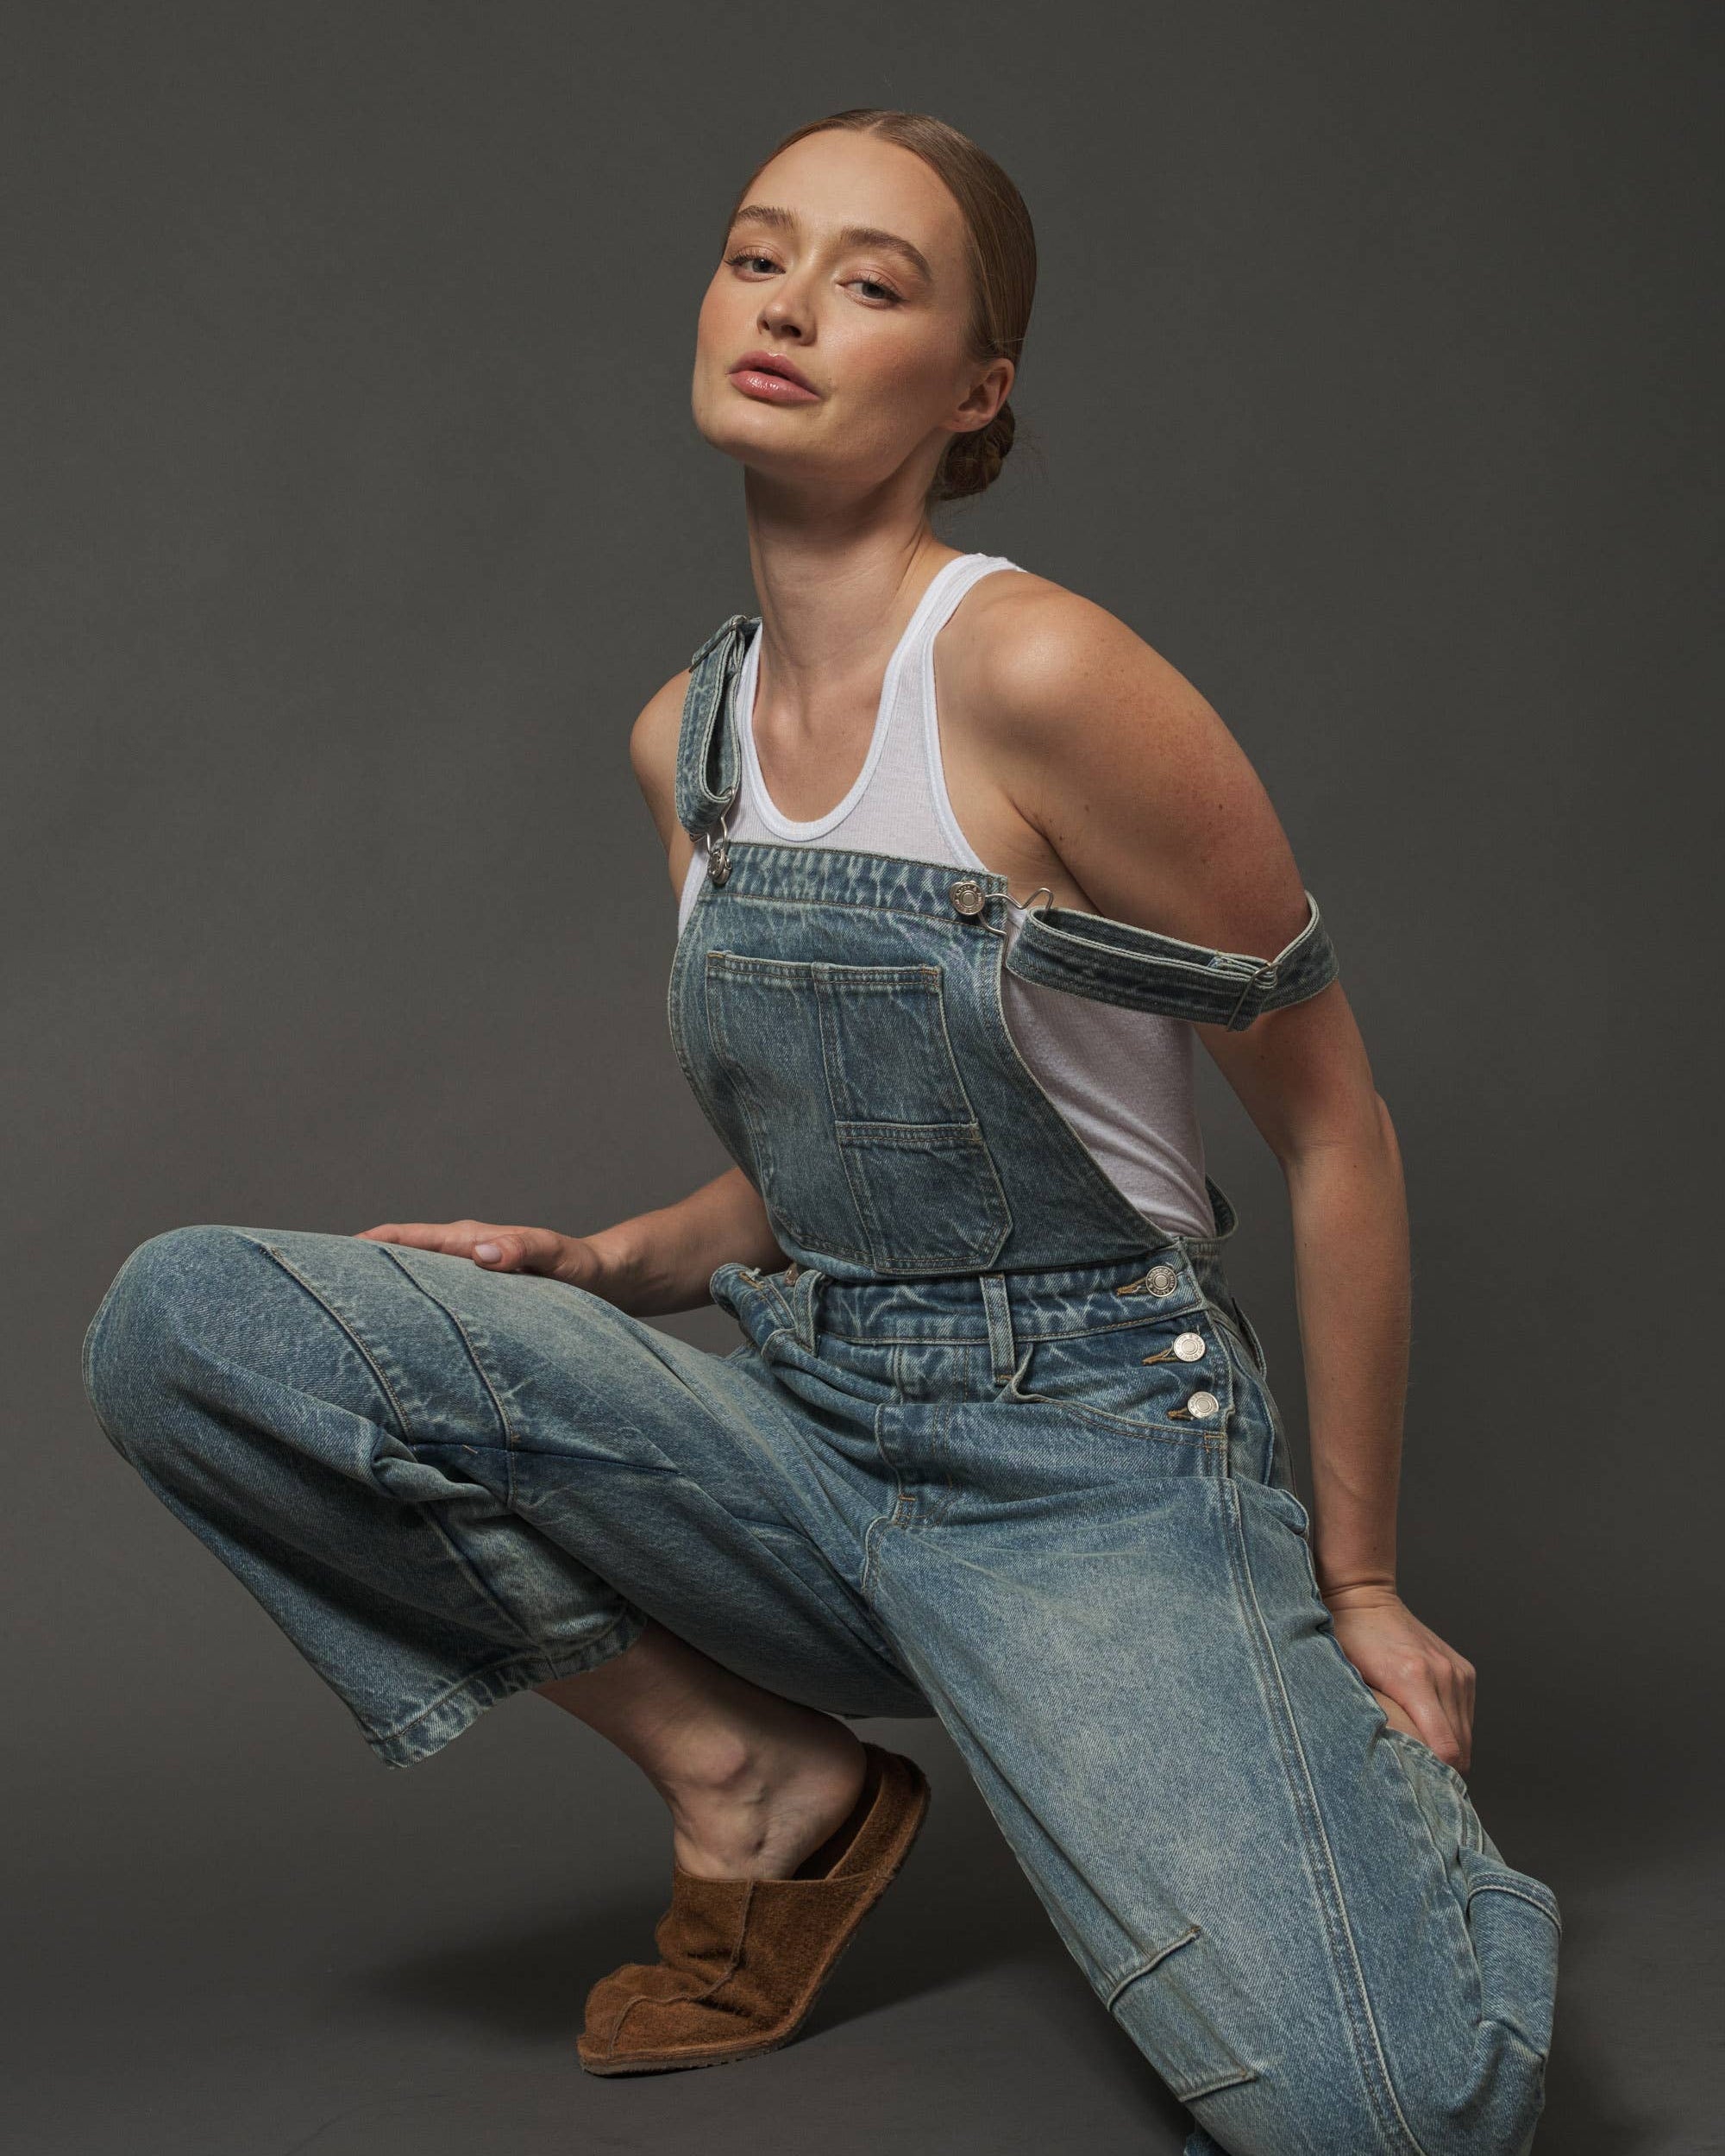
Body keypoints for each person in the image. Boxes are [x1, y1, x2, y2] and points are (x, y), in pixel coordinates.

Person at [80, 107, 1562, 2154]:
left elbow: (1334, 1125)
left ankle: (1317, 1770)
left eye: (872, 279)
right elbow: (820, 1169)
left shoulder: (1041, 672)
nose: (788, 301)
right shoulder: (676, 738)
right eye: (757, 251)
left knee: (1388, 2110)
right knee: (190, 1326)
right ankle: (757, 1779)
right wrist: (607, 1265)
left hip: (1093, 1473)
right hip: (813, 1426)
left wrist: (1370, 1579)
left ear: (975, 388)